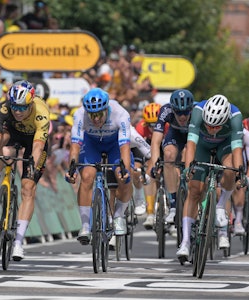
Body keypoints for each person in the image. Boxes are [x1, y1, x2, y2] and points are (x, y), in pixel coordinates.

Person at [176, 94, 244, 261]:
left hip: (224, 145)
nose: (212, 130)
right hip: (202, 147)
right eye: (209, 126)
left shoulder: (235, 117)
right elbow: (191, 143)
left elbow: (237, 150)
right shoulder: (198, 112)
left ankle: (221, 206)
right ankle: (185, 241)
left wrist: (239, 173)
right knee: (194, 191)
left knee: (230, 170)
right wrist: (188, 169)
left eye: (216, 127)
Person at [0, 80, 50, 261]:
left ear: (31, 104)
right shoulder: (4, 109)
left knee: (28, 187)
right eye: (15, 106)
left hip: (34, 141)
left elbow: (38, 147)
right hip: (13, 133)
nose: (18, 111)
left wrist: (31, 165)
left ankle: (18, 243)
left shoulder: (41, 113)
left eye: (22, 108)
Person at [65, 88, 133, 246]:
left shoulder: (120, 114)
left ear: (106, 109)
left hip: (115, 145)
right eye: (92, 115)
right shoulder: (79, 115)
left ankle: (118, 216)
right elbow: (75, 146)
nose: (95, 119)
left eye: (99, 114)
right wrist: (72, 169)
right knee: (87, 177)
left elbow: (124, 147)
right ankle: (85, 225)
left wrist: (125, 171)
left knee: (122, 176)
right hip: (92, 144)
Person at [146, 89, 195, 228]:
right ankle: (173, 205)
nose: (182, 116)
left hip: (194, 135)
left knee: (191, 159)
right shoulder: (165, 110)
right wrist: (155, 162)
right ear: (173, 109)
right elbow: (155, 142)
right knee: (168, 156)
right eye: (178, 112)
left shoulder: (198, 112)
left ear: (191, 109)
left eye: (186, 112)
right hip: (176, 135)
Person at [135, 102, 161, 228]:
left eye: (156, 124)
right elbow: (137, 149)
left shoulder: (166, 126)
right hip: (147, 146)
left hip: (163, 144)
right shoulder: (140, 128)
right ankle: (150, 213)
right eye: (150, 125)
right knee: (148, 174)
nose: (153, 127)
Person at [230, 127, 249, 235]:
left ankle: (238, 221)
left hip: (240, 163)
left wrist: (248, 177)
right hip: (223, 160)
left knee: (241, 185)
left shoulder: (246, 135)